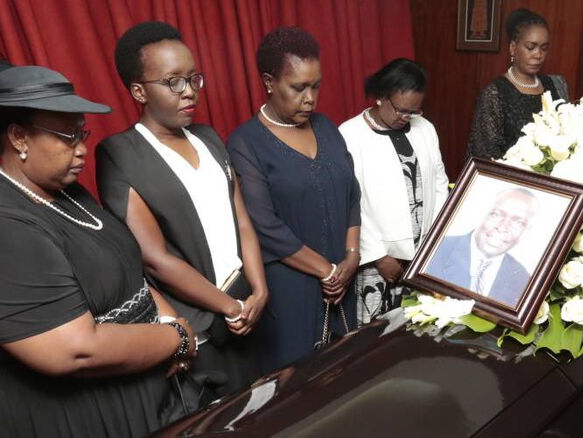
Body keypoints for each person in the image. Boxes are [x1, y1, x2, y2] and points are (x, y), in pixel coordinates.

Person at [0, 60, 197, 438]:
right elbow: (76, 350)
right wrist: (177, 338)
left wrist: (169, 327)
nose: (82, 150)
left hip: (148, 391)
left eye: (83, 133)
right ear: (18, 137)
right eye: (68, 137)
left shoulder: (66, 192)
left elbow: (130, 273)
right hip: (82, 415)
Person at [96, 22, 267, 396]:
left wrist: (259, 290)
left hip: (247, 309)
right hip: (201, 326)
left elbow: (242, 220)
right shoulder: (120, 154)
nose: (189, 91)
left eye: (194, 78)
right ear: (139, 91)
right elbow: (154, 257)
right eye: (174, 82)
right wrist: (229, 306)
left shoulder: (207, 137)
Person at [227, 27, 361, 373]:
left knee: (346, 377)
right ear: (270, 82)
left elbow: (352, 193)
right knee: (297, 388)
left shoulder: (327, 127)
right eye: (298, 87)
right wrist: (327, 271)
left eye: (316, 86)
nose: (310, 98)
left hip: (342, 280)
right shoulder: (246, 142)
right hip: (291, 287)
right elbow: (264, 223)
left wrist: (351, 256)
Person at [339, 58, 449, 324]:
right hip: (377, 262)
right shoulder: (350, 134)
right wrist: (379, 256)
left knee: (419, 329)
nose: (406, 118)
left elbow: (439, 183)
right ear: (381, 97)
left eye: (414, 111)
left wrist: (434, 242)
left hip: (423, 255)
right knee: (374, 338)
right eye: (401, 110)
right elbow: (353, 203)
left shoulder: (426, 129)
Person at [467, 8, 569, 160]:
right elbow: (484, 157)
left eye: (544, 48)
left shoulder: (556, 84)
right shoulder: (495, 94)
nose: (538, 55)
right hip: (510, 182)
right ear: (513, 48)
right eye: (530, 47)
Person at [425, 188, 538, 307]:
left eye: (518, 222)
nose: (503, 227)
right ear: (483, 213)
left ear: (526, 231)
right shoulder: (435, 250)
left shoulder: (523, 280)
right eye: (496, 214)